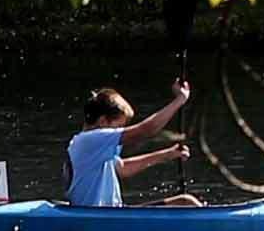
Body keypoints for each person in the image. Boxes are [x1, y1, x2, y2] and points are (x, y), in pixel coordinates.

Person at [64, 81, 197, 207]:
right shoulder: (89, 140)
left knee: (184, 201)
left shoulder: (96, 145)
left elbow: (122, 168)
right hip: (97, 217)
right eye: (118, 126)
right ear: (103, 121)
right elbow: (146, 130)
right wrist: (180, 100)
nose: (119, 131)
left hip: (112, 214)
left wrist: (167, 155)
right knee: (187, 203)